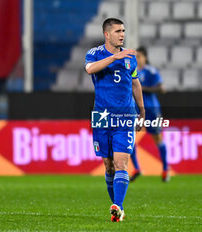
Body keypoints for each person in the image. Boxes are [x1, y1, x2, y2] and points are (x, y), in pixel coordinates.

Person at [84, 18, 145, 222]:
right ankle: (118, 206)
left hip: (125, 115)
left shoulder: (130, 58)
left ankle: (117, 207)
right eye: (118, 31)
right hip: (101, 116)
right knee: (109, 166)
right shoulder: (94, 54)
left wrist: (142, 110)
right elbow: (90, 69)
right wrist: (114, 57)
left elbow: (135, 84)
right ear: (107, 34)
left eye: (124, 30)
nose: (122, 34)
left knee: (121, 162)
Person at [130, 46, 170, 182]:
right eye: (135, 56)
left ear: (145, 57)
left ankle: (165, 169)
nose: (137, 59)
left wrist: (142, 88)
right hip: (135, 110)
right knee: (129, 138)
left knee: (157, 138)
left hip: (152, 110)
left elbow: (161, 88)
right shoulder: (131, 71)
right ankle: (136, 168)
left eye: (139, 56)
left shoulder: (151, 71)